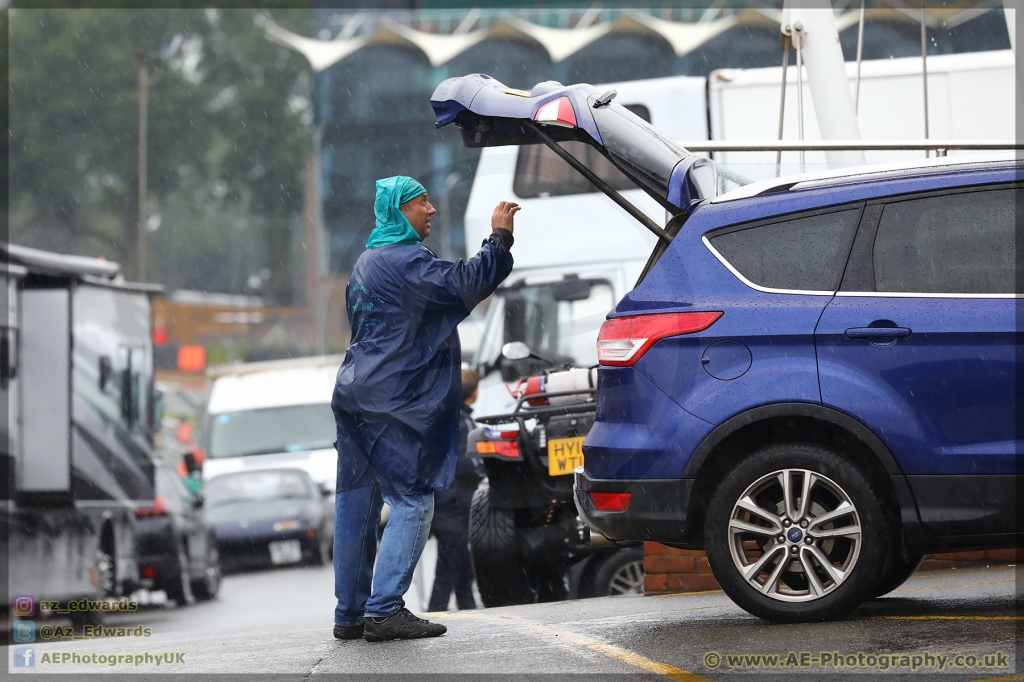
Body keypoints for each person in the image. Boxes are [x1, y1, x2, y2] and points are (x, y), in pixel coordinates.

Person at [331, 175, 519, 643]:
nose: (431, 209)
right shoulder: (405, 260)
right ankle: (385, 610)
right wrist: (498, 238)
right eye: (421, 203)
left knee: (357, 501)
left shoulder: (366, 261)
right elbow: (466, 283)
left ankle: (350, 612)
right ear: (400, 212)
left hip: (354, 391)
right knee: (413, 499)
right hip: (391, 399)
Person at [427, 368, 485, 612]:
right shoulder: (467, 424)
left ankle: (467, 606)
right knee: (447, 570)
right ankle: (435, 611)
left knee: (461, 564)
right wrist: (486, 471)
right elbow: (470, 464)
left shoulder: (440, 420)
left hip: (441, 503)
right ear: (474, 394)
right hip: (457, 506)